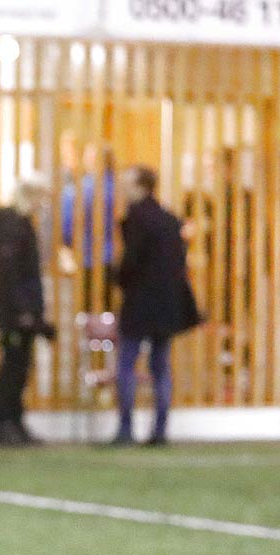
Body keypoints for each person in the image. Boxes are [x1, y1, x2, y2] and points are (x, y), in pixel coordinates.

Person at [112, 165, 199, 446]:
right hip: (166, 303)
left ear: (140, 185)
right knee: (160, 365)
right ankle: (159, 429)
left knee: (127, 363)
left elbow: (131, 263)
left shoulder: (136, 218)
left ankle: (126, 428)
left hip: (140, 301)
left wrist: (118, 278)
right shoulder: (169, 220)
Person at [0, 174, 53, 446]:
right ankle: (5, 423)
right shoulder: (12, 226)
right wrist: (24, 311)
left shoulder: (19, 225)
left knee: (20, 367)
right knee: (12, 368)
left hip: (21, 310)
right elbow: (12, 274)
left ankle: (14, 421)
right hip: (15, 312)